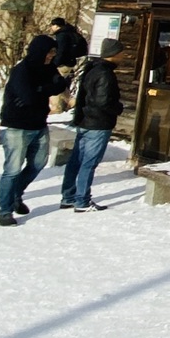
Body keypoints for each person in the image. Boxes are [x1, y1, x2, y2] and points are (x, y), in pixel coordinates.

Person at [0, 34, 69, 226]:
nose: (51, 56)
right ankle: (4, 211)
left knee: (38, 163)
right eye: (49, 52)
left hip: (38, 123)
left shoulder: (48, 68)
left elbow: (60, 85)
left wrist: (40, 89)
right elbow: (28, 96)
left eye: (54, 52)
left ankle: (15, 195)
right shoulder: (22, 70)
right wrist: (43, 89)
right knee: (12, 169)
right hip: (16, 126)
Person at [62, 37, 123, 211]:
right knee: (89, 162)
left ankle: (68, 196)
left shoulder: (92, 68)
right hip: (98, 123)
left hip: (85, 120)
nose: (123, 56)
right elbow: (104, 101)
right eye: (121, 53)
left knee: (76, 160)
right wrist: (118, 108)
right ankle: (81, 200)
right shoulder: (105, 73)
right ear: (115, 54)